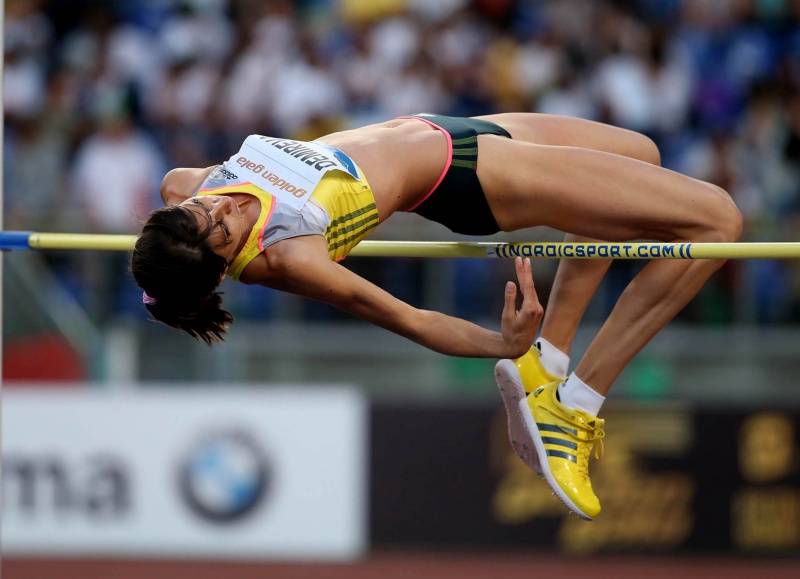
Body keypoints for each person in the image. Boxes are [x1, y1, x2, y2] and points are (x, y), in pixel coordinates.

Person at [131, 113, 742, 520]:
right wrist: (500, 344)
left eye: (206, 211)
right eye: (224, 232)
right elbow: (414, 320)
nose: (225, 208)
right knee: (718, 222)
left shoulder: (185, 190)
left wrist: (180, 239)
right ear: (223, 270)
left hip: (440, 126)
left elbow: (177, 216)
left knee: (642, 153)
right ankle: (575, 403)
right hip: (467, 175)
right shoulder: (289, 256)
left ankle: (548, 364)